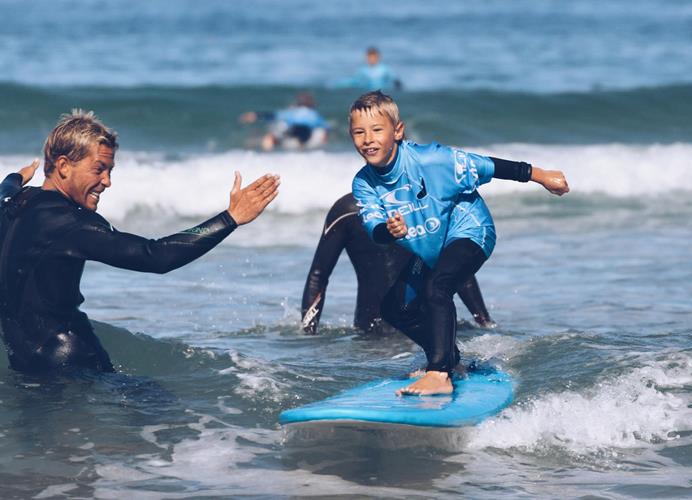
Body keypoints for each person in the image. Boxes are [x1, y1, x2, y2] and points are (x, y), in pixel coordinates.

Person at [0, 110, 280, 373]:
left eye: (110, 170)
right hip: (69, 361)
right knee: (154, 407)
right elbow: (154, 256)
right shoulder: (72, 223)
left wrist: (14, 177)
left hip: (24, 358)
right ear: (63, 166)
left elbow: (6, 190)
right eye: (98, 169)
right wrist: (230, 218)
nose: (107, 181)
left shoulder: (16, 201)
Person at [350, 91, 569, 396]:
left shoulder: (432, 160)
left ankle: (439, 373)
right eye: (359, 132)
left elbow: (487, 165)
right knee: (393, 308)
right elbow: (374, 227)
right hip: (431, 247)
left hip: (470, 230)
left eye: (376, 130)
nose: (367, 139)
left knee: (437, 288)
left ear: (397, 131)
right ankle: (449, 358)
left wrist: (539, 175)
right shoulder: (363, 182)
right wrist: (389, 231)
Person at [301, 192, 495, 335]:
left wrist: (484, 322)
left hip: (422, 331)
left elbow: (455, 267)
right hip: (373, 334)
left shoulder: (427, 207)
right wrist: (308, 334)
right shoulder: (348, 211)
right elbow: (319, 275)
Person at [239, 92, 329, 151]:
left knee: (271, 137)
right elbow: (325, 127)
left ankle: (266, 154)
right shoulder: (314, 114)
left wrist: (254, 115)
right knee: (305, 142)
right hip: (307, 132)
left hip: (294, 129)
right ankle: (302, 151)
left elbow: (272, 115)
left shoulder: (292, 112)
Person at [334, 47, 402, 91]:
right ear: (366, 58)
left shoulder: (385, 69)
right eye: (370, 57)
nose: (372, 59)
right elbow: (353, 81)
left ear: (378, 57)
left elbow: (395, 80)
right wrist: (337, 85)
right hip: (367, 93)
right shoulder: (362, 71)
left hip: (382, 93)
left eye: (374, 57)